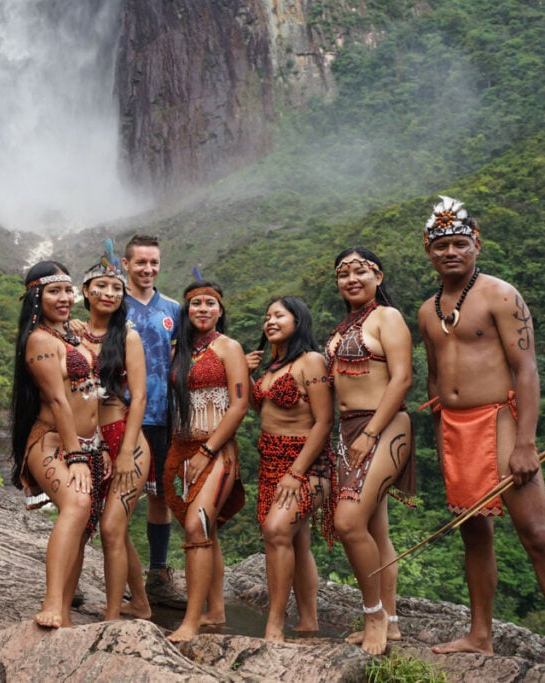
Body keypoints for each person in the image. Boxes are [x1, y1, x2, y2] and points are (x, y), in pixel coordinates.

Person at [417, 196, 545, 654]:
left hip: (501, 419)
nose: (451, 251)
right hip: (454, 426)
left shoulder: (501, 295)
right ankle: (480, 635)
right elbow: (433, 374)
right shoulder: (428, 311)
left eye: (460, 243)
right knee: (474, 532)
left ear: (477, 245)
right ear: (429, 251)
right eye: (441, 244)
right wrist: (438, 424)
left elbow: (526, 369)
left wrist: (525, 442)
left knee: (538, 535)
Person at [11, 261, 109, 629]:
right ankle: (51, 603)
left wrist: (98, 447)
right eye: (54, 291)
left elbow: (91, 395)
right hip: (52, 440)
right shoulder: (40, 340)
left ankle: (65, 611)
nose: (65, 298)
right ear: (37, 296)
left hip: (86, 444)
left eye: (68, 290)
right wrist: (77, 457)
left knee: (83, 521)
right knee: (77, 503)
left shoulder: (71, 334)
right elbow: (58, 401)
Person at [326, 247, 414, 656]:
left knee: (347, 522)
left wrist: (371, 432)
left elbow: (401, 379)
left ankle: (374, 614)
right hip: (346, 431)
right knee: (375, 528)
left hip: (383, 424)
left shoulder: (386, 317)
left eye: (360, 271)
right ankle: (392, 622)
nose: (351, 279)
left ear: (378, 276)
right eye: (343, 273)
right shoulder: (346, 325)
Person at [245, 296, 336, 642]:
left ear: (298, 321)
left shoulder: (310, 361)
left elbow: (324, 421)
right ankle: (309, 620)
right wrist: (247, 373)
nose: (270, 321)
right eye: (267, 316)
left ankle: (275, 624)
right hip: (271, 461)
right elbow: (262, 410)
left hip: (307, 465)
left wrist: (296, 471)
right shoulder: (272, 368)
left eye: (279, 315)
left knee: (278, 531)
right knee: (296, 541)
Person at [164, 280, 249, 643]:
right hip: (179, 449)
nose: (202, 308)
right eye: (195, 303)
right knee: (203, 530)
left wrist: (207, 451)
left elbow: (240, 404)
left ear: (220, 310)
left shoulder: (229, 348)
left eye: (210, 303)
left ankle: (191, 621)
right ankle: (216, 612)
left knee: (198, 528)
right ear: (186, 310)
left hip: (215, 450)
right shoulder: (176, 351)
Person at [79, 248, 152, 621]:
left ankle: (110, 617)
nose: (109, 293)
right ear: (86, 290)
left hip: (127, 439)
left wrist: (124, 451)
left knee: (111, 527)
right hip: (92, 442)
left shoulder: (128, 338)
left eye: (116, 288)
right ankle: (139, 603)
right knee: (116, 530)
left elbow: (139, 397)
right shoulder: (73, 333)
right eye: (101, 286)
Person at [120, 234, 186, 607]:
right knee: (118, 497)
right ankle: (117, 572)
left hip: (163, 415)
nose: (148, 269)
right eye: (141, 262)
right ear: (126, 264)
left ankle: (158, 573)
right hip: (121, 414)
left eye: (154, 263)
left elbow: (191, 353)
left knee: (160, 495)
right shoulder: (115, 305)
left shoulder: (173, 309)